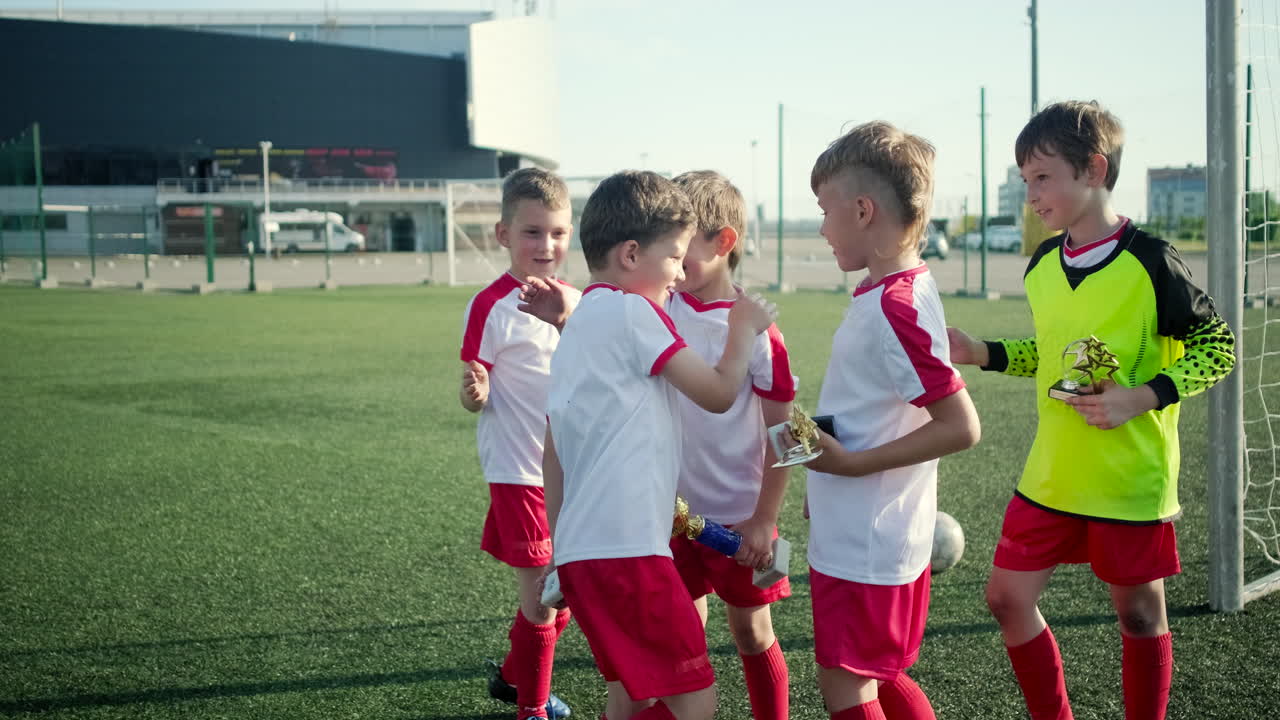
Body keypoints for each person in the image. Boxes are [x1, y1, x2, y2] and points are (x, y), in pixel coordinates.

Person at [947, 100, 1236, 720]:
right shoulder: (1042, 265)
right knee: (1006, 598)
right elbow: (1053, 355)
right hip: (1051, 471)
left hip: (1127, 479)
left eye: (1042, 177)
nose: (1031, 195)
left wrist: (1142, 396)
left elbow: (1219, 347)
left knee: (1137, 613)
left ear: (1094, 169)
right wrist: (985, 352)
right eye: (1025, 181)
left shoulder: (1153, 260)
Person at [541, 170, 777, 720]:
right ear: (629, 254)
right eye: (672, 257)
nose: (675, 273)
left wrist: (559, 546)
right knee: (695, 703)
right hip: (631, 552)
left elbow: (553, 453)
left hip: (583, 554)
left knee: (632, 694)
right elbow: (719, 394)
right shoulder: (636, 312)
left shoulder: (576, 329)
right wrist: (743, 329)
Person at [802, 121, 982, 720]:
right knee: (879, 674)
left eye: (826, 211)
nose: (823, 228)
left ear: (862, 210)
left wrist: (850, 465)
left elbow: (960, 426)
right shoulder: (899, 289)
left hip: (869, 539)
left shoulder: (895, 306)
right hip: (870, 527)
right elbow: (875, 408)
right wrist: (826, 475)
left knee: (846, 686)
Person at [668, 170, 795, 720]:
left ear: (723, 243)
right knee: (679, 634)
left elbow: (787, 431)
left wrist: (766, 517)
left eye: (680, 245)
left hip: (741, 519)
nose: (669, 260)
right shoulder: (659, 308)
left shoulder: (758, 329)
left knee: (751, 629)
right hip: (671, 516)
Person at [458, 167, 578, 720]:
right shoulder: (490, 305)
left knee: (570, 591)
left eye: (556, 232)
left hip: (573, 475)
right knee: (541, 602)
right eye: (532, 232)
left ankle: (514, 676)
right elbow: (473, 385)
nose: (545, 244)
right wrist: (477, 391)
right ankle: (531, 710)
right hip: (520, 473)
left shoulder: (579, 301)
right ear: (504, 235)